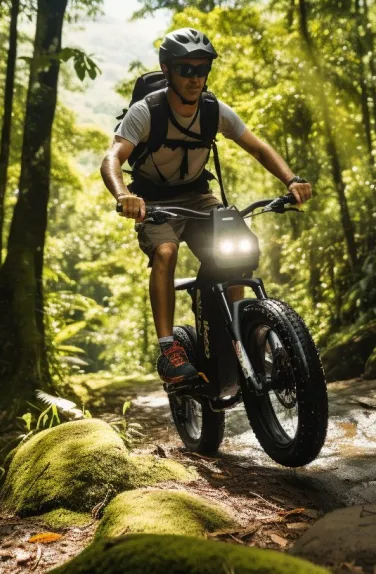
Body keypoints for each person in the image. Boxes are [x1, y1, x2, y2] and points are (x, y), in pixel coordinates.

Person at [100, 27, 313, 387]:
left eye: (202, 69)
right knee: (165, 252)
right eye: (186, 70)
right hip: (153, 202)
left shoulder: (214, 110)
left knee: (238, 253)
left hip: (199, 197)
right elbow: (112, 158)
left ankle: (238, 329)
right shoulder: (146, 111)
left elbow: (258, 147)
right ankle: (169, 350)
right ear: (167, 70)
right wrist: (124, 196)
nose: (195, 78)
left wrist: (291, 180)